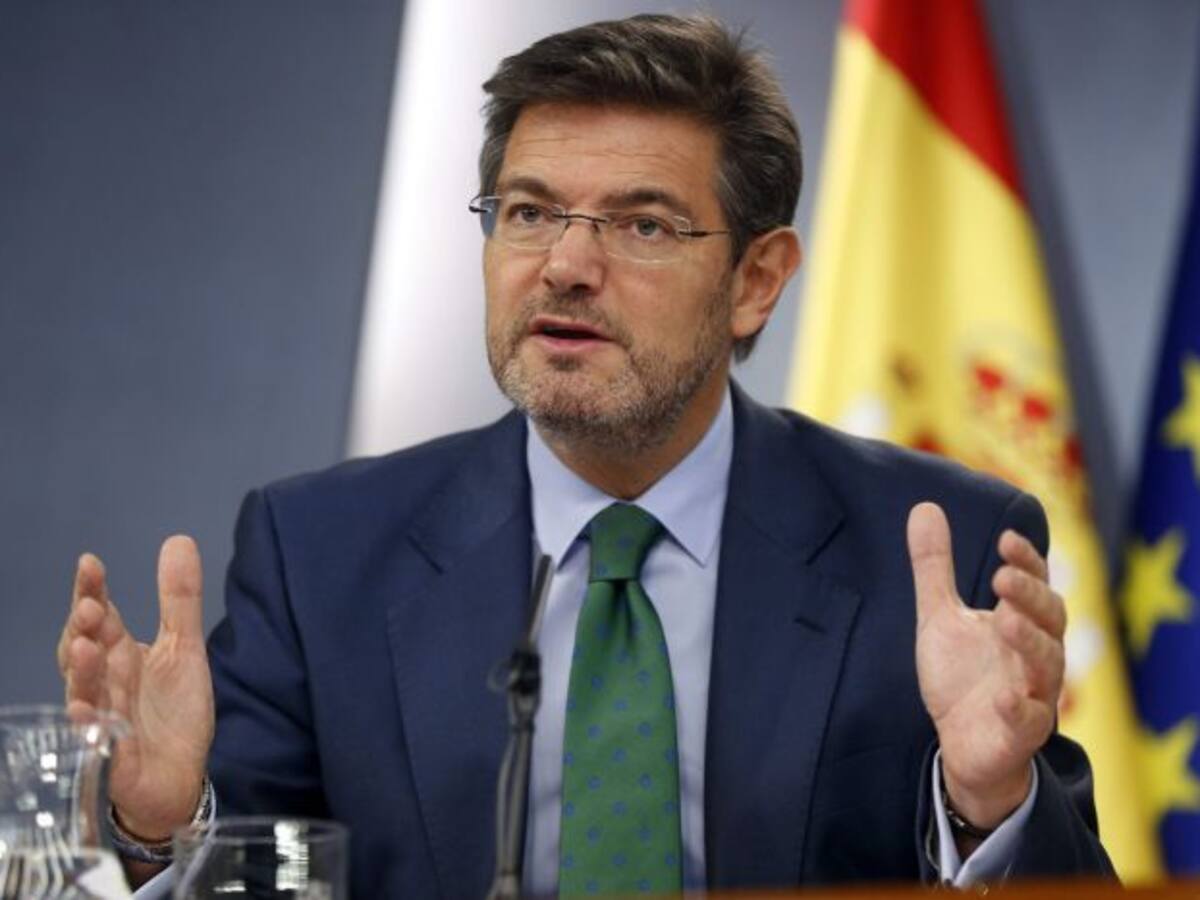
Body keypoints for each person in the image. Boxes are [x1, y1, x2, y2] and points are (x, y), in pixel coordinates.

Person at [57, 13, 1113, 898]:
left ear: (756, 281)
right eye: (528, 213)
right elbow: (254, 870)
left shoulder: (937, 549)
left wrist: (990, 804)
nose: (564, 265)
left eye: (642, 226)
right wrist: (154, 829)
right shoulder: (320, 553)